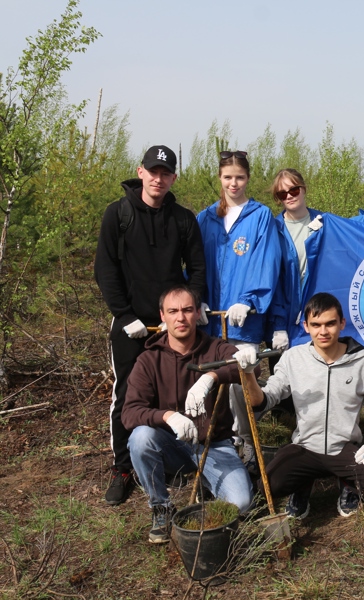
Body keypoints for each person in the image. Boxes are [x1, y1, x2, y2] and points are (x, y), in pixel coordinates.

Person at [94, 145, 206, 506]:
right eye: (153, 171)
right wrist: (125, 316)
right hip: (131, 325)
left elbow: (198, 269)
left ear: (174, 178)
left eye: (166, 173)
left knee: (178, 387)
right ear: (141, 172)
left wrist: (192, 306)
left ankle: (176, 458)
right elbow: (105, 269)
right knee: (127, 394)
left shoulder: (184, 219)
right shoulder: (118, 214)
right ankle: (123, 467)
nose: (159, 178)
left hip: (171, 324)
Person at [241, 293, 364, 518]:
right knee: (269, 485)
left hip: (344, 448)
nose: (323, 332)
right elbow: (262, 401)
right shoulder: (293, 358)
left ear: (342, 323)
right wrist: (248, 374)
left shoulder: (362, 361)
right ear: (306, 326)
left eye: (330, 324)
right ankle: (302, 485)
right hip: (305, 446)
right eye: (315, 325)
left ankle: (347, 483)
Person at [121, 285, 258, 544]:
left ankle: (208, 480)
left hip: (214, 445)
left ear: (198, 313)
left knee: (241, 504)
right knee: (140, 437)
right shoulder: (149, 360)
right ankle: (161, 506)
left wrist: (212, 375)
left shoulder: (216, 348)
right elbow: (130, 413)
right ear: (162, 316)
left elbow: (249, 368)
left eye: (187, 310)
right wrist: (167, 417)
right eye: (173, 311)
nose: (180, 318)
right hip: (171, 445)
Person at [196, 151, 282, 466]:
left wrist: (248, 299)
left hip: (243, 320)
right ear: (220, 178)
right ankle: (219, 443)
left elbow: (268, 262)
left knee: (239, 381)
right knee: (211, 384)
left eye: (240, 177)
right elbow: (195, 264)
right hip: (211, 320)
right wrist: (197, 299)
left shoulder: (260, 216)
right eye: (228, 177)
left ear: (248, 178)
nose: (234, 183)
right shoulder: (205, 218)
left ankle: (247, 442)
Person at [267, 168, 324, 349]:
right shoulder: (272, 230)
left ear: (303, 189)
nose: (289, 196)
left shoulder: (325, 224)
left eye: (294, 190)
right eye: (283, 194)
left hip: (318, 321)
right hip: (283, 324)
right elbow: (272, 281)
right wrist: (278, 326)